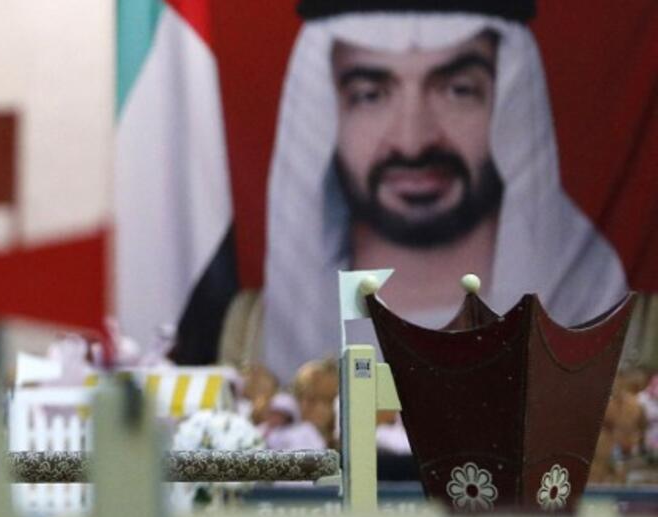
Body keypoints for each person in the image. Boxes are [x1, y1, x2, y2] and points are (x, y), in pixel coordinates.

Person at [214, 1, 630, 381]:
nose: (412, 141)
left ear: (508, 106)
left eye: (458, 90)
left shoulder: (595, 303)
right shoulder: (258, 332)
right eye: (371, 95)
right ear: (326, 115)